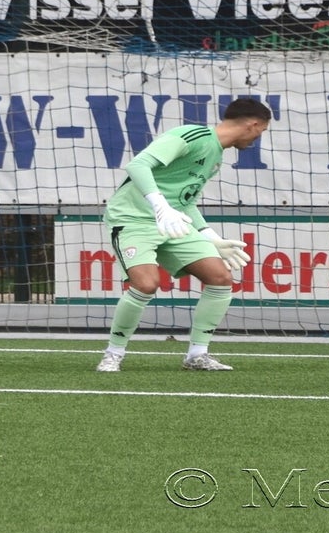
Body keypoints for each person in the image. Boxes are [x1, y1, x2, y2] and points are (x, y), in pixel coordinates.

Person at [95, 98, 271, 372]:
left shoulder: (216, 157)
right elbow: (138, 165)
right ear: (254, 124)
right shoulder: (191, 136)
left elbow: (185, 202)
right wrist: (160, 206)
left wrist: (209, 236)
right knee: (146, 284)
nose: (258, 138)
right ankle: (113, 354)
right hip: (132, 218)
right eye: (262, 131)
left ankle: (197, 355)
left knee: (220, 278)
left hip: (172, 220)